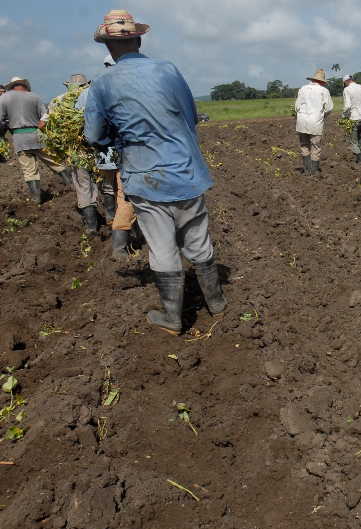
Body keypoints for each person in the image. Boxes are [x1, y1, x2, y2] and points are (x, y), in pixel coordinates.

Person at [84, 9, 227, 334]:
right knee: (197, 239)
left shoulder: (103, 84)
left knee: (162, 247)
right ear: (137, 39)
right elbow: (189, 115)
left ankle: (172, 318)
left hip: (145, 176)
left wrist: (116, 135)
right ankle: (216, 302)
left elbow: (94, 135)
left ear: (108, 47)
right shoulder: (168, 70)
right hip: (186, 170)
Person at [80, 56, 138, 259]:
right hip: (139, 150)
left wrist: (101, 141)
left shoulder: (95, 89)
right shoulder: (136, 84)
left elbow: (91, 131)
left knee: (115, 189)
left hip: (112, 150)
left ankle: (116, 230)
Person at [47, 73, 111, 235]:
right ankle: (112, 218)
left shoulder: (59, 101)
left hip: (76, 151)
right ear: (87, 84)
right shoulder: (94, 96)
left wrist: (60, 146)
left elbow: (45, 125)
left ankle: (91, 226)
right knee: (106, 183)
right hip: (98, 148)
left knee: (83, 187)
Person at [0, 77, 72, 204]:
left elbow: (1, 119)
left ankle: (37, 199)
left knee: (29, 170)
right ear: (25, 85)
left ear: (11, 86)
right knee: (55, 162)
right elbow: (45, 116)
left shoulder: (4, 98)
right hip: (37, 135)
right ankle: (72, 187)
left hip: (19, 137)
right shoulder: (35, 96)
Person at [294, 69, 333, 175]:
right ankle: (314, 171)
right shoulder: (324, 91)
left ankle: (307, 170)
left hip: (301, 122)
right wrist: (322, 116)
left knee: (304, 145)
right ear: (322, 81)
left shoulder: (302, 89)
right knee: (315, 147)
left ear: (313, 79)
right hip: (316, 122)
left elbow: (296, 107)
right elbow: (329, 108)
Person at [341, 75, 361, 164]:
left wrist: (343, 117)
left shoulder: (347, 90)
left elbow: (347, 106)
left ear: (346, 82)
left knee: (354, 142)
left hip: (354, 118)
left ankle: (359, 161)